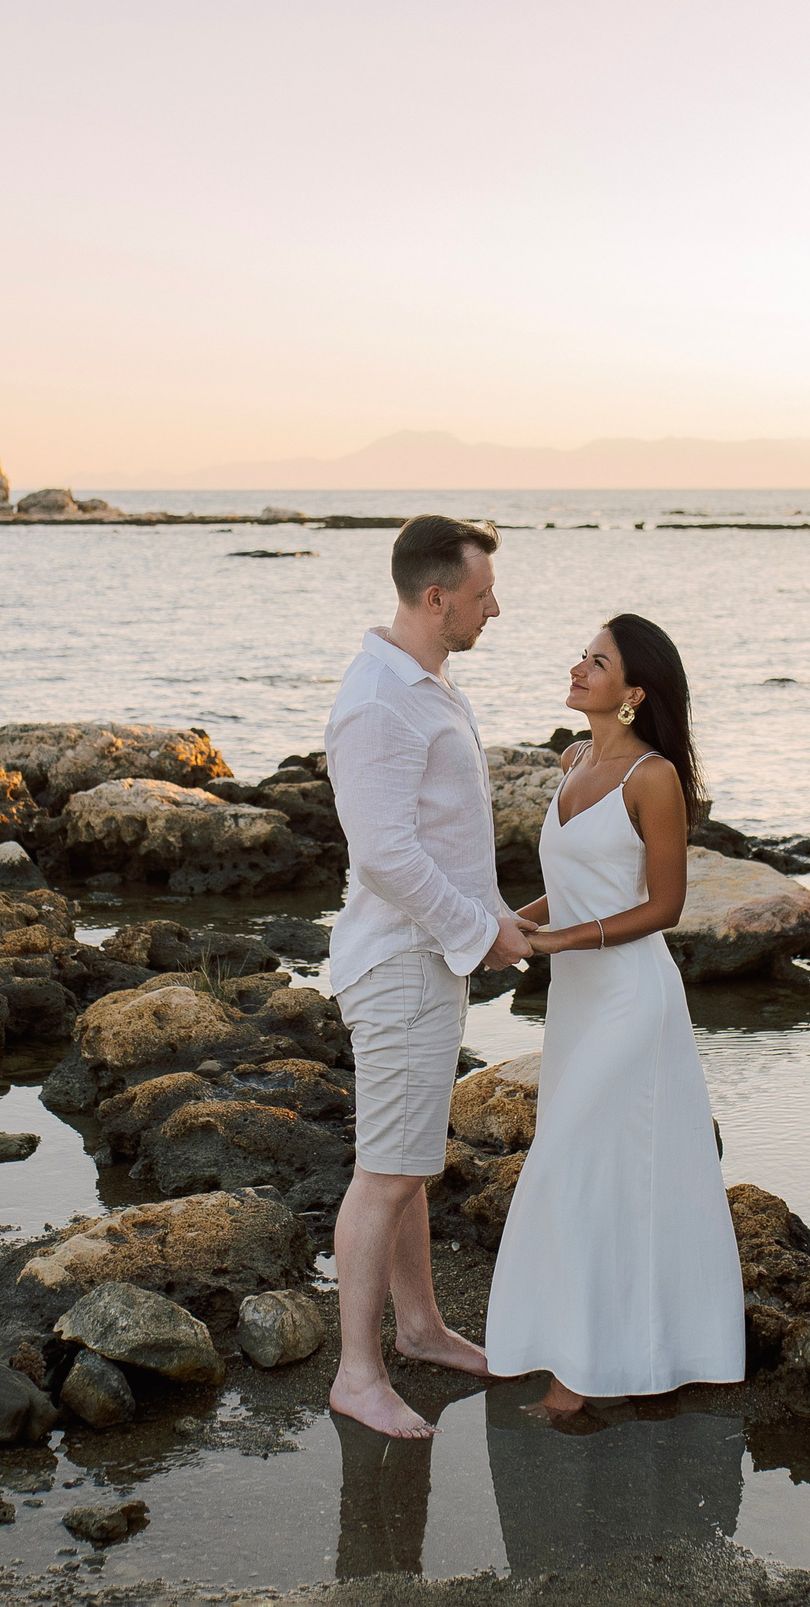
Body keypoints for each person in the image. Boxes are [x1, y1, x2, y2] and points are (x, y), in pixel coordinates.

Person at [483, 613, 745, 1413]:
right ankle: (611, 1347)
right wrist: (506, 922)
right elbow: (569, 886)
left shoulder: (653, 777)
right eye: (581, 654)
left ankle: (577, 1378)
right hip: (576, 1003)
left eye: (596, 661)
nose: (578, 667)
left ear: (633, 692)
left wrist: (557, 939)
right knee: (607, 1174)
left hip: (633, 998)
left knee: (573, 1162)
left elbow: (664, 906)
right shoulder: (572, 760)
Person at [323, 513, 531, 1440]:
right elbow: (385, 856)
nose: (496, 608)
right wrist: (475, 931)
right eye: (483, 595)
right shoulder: (380, 700)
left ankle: (420, 1326)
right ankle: (357, 1374)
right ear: (436, 595)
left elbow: (441, 832)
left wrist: (495, 917)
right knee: (384, 1173)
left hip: (424, 957)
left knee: (406, 1165)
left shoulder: (428, 683)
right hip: (402, 964)